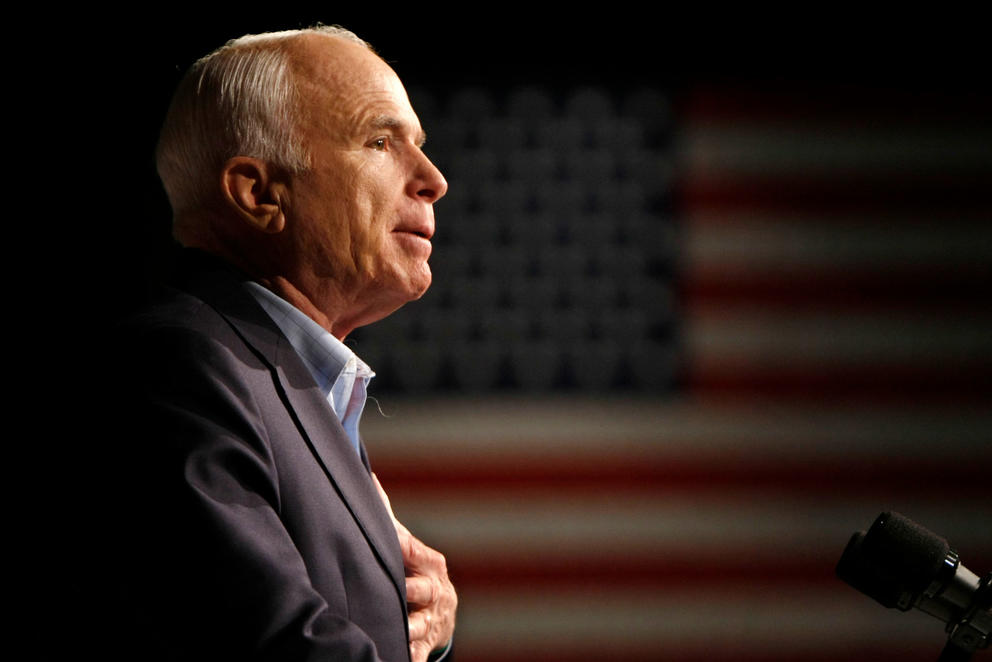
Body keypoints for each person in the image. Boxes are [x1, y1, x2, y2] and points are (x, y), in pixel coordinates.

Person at [98, 25, 455, 662]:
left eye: (419, 147)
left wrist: (425, 628)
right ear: (260, 193)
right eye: (380, 141)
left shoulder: (293, 378)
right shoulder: (183, 367)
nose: (433, 180)